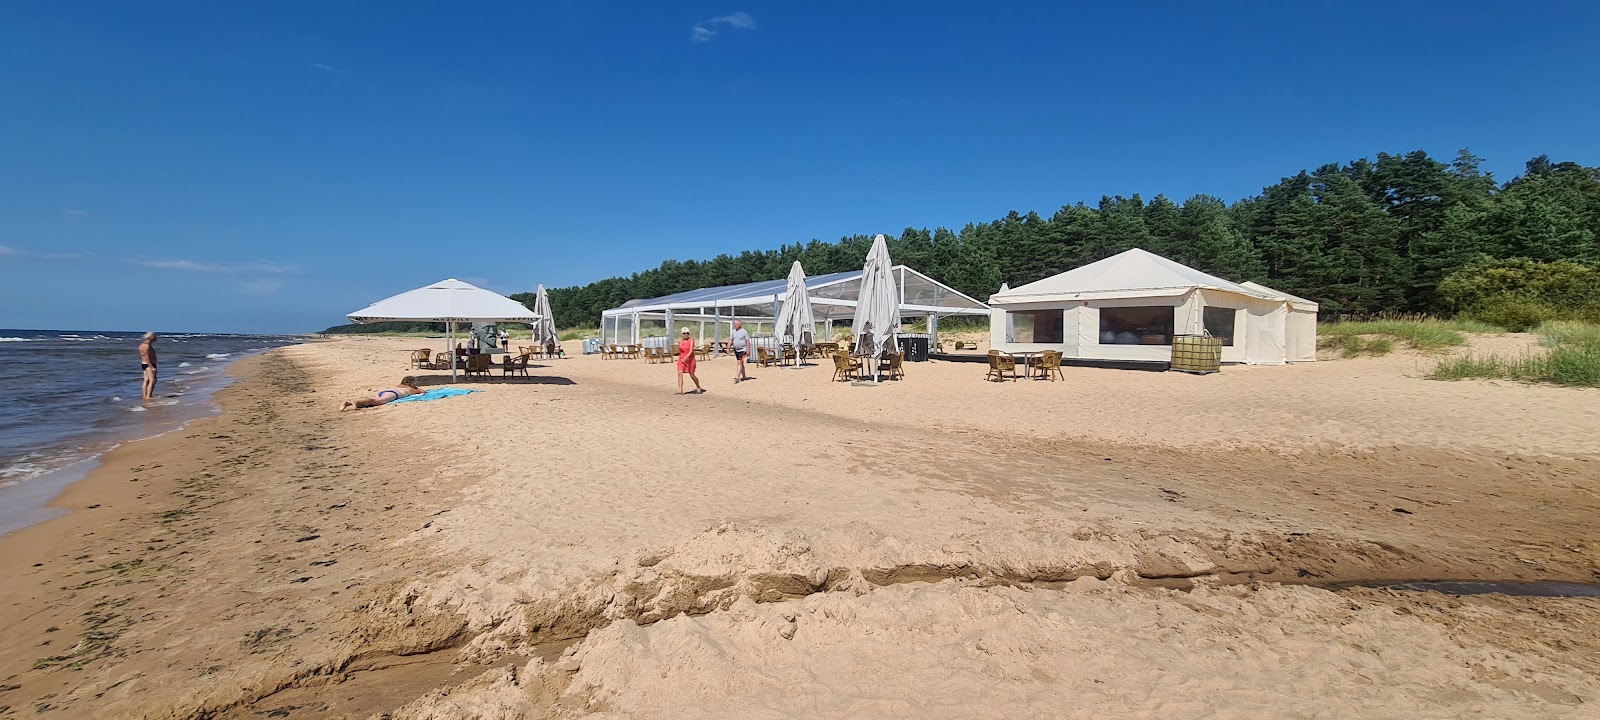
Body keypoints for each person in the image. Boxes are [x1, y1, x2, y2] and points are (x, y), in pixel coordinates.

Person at [341, 376, 423, 411]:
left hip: (385, 392)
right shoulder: (411, 388)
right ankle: (355, 402)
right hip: (394, 394)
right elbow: (423, 391)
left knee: (373, 401)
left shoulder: (399, 385)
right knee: (375, 401)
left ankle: (349, 403)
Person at [676, 328, 704, 395]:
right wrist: (681, 358)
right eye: (684, 333)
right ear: (682, 334)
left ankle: (698, 386)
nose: (686, 334)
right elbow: (680, 351)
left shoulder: (691, 340)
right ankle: (680, 390)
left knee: (692, 375)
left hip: (690, 359)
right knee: (680, 373)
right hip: (682, 359)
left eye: (687, 333)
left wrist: (686, 357)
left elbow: (691, 350)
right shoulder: (681, 341)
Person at [138, 332, 158, 400]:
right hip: (149, 364)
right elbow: (147, 357)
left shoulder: (143, 345)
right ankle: (148, 396)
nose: (156, 338)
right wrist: (151, 367)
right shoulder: (146, 346)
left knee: (146, 380)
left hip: (145, 364)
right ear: (151, 337)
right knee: (152, 380)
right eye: (154, 336)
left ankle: (145, 396)